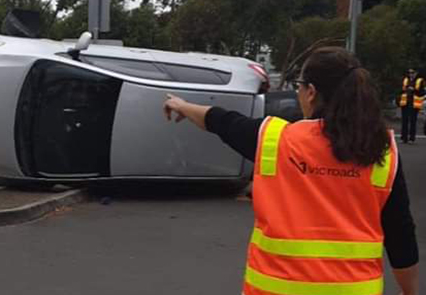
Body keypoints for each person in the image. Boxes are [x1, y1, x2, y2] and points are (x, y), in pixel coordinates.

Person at [163, 47, 419, 295]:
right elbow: (401, 236)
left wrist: (183, 106)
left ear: (311, 92)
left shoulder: (275, 140)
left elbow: (222, 121)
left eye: (299, 86)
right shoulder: (381, 152)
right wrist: (409, 292)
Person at [399, 68, 424, 144]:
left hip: (414, 104)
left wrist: (414, 90)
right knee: (404, 121)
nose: (411, 74)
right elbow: (401, 91)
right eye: (409, 73)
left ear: (416, 73)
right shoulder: (405, 80)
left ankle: (411, 138)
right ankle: (404, 138)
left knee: (412, 121)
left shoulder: (420, 81)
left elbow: (422, 92)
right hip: (405, 103)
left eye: (412, 73)